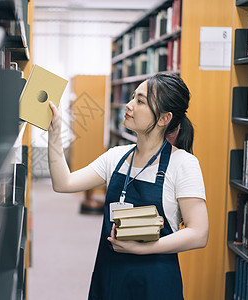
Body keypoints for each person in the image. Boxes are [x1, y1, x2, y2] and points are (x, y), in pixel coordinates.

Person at [47, 73, 208, 300]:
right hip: (109, 277)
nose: (129, 105)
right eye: (133, 97)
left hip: (154, 285)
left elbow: (199, 233)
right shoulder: (116, 157)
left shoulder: (183, 164)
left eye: (140, 101)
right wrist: (54, 134)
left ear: (164, 118)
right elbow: (64, 183)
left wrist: (143, 248)